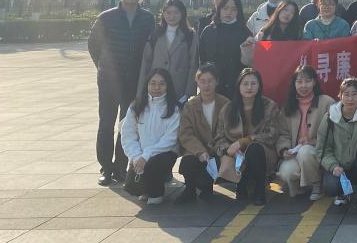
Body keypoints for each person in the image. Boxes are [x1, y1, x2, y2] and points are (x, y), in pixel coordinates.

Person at [88, 0, 154, 186]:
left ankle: (121, 167)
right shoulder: (106, 17)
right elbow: (93, 45)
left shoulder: (147, 18)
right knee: (106, 123)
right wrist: (103, 66)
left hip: (134, 80)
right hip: (109, 80)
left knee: (127, 125)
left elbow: (150, 46)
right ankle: (106, 168)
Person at [214, 68, 282, 205]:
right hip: (235, 155)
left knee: (254, 149)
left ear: (259, 86)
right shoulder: (228, 109)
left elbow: (272, 134)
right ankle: (242, 182)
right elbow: (219, 138)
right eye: (245, 84)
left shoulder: (269, 106)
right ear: (238, 86)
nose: (249, 87)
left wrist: (245, 141)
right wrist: (229, 149)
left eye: (253, 83)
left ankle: (259, 189)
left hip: (262, 152)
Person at [119, 67, 180, 204]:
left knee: (154, 167)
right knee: (132, 188)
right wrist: (136, 157)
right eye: (153, 83)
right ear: (147, 84)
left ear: (168, 86)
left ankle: (156, 192)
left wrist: (147, 155)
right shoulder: (136, 106)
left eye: (162, 84)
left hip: (164, 154)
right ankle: (147, 189)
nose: (157, 87)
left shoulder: (173, 109)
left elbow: (170, 139)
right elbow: (128, 135)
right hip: (141, 154)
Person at [315, 78, 357, 212]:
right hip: (339, 164)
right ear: (340, 96)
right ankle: (342, 192)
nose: (350, 99)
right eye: (346, 94)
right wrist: (333, 166)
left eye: (354, 94)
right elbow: (322, 149)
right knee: (330, 186)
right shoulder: (330, 117)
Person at [277, 65, 335, 200]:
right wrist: (284, 149)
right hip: (295, 152)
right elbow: (283, 133)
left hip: (319, 153)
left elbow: (334, 133)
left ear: (314, 82)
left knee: (306, 151)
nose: (304, 85)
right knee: (286, 172)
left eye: (308, 81)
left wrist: (312, 141)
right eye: (299, 82)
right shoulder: (288, 106)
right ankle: (301, 185)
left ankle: (317, 184)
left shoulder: (327, 102)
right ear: (294, 84)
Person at [175, 64, 228, 203]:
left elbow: (229, 131)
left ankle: (207, 188)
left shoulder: (225, 103)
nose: (206, 85)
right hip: (197, 151)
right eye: (202, 81)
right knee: (188, 163)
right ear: (197, 82)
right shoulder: (190, 106)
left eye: (210, 81)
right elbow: (186, 133)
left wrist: (216, 149)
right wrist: (200, 151)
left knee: (206, 178)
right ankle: (189, 190)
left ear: (216, 82)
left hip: (218, 150)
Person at [138, 0, 198, 106]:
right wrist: (141, 90)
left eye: (176, 13)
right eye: (168, 12)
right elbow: (146, 62)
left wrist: (188, 93)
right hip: (156, 86)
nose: (172, 16)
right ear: (163, 14)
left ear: (182, 14)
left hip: (178, 88)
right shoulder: (155, 34)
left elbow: (193, 65)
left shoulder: (190, 35)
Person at [198, 0, 253, 100]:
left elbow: (249, 63)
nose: (229, 12)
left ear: (238, 11)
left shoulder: (244, 32)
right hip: (213, 82)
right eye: (225, 8)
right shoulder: (209, 31)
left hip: (237, 82)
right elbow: (202, 58)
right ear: (219, 9)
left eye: (233, 9)